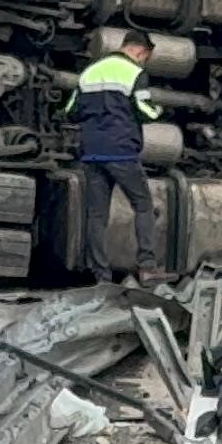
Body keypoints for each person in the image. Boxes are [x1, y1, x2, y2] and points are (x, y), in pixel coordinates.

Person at [66, 31, 162, 281]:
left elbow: (71, 111)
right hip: (121, 152)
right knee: (143, 205)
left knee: (97, 215)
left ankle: (100, 274)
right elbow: (145, 111)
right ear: (142, 51)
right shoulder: (134, 73)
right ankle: (147, 266)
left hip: (92, 152)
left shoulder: (90, 72)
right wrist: (158, 109)